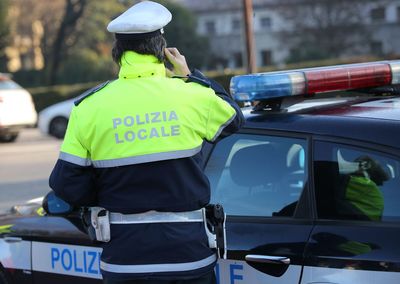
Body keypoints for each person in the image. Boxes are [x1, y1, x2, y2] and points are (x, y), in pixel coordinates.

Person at [49, 1, 244, 284]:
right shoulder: (191, 96)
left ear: (117, 53)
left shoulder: (88, 108)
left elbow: (66, 184)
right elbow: (234, 118)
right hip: (188, 258)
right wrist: (189, 76)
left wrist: (107, 193)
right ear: (162, 50)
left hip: (125, 262)